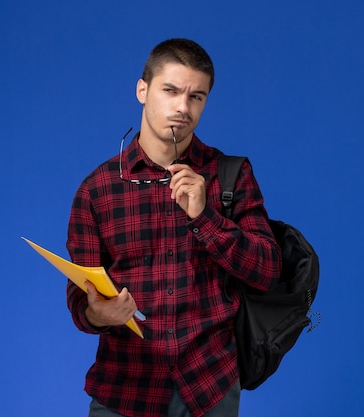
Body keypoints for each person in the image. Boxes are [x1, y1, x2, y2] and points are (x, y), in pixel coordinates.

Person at [66, 38, 281, 417]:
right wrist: (101, 314)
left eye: (196, 97)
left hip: (208, 386)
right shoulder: (96, 190)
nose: (183, 107)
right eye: (171, 91)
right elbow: (79, 301)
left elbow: (266, 271)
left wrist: (205, 217)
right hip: (124, 389)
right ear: (143, 90)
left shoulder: (230, 175)